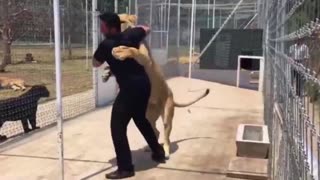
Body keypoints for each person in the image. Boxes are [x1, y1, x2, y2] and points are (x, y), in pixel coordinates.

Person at [93, 12, 165, 179]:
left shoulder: (106, 44)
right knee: (140, 119)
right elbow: (147, 28)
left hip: (130, 90)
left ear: (110, 28)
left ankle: (125, 168)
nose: (101, 28)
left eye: (103, 25)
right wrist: (134, 33)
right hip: (144, 85)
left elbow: (95, 64)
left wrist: (106, 56)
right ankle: (158, 151)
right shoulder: (131, 34)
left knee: (117, 127)